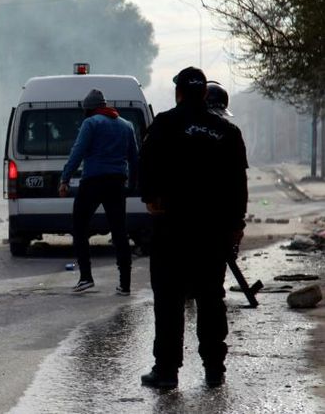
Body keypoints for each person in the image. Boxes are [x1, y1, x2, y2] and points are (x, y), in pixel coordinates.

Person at [138, 67, 248, 389]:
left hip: (171, 229)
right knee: (211, 298)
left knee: (169, 301)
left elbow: (145, 165)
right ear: (205, 94)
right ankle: (215, 369)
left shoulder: (165, 124)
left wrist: (150, 198)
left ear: (179, 93)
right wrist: (236, 225)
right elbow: (238, 185)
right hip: (212, 232)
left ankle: (167, 371)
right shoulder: (227, 131)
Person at [58, 88, 138, 295]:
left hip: (93, 181)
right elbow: (134, 158)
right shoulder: (126, 125)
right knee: (120, 232)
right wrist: (133, 184)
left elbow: (78, 151)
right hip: (117, 182)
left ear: (89, 109)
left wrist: (65, 178)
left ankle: (86, 277)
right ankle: (125, 284)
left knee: (80, 226)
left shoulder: (91, 123)